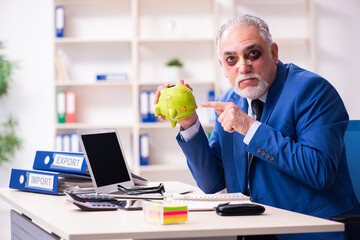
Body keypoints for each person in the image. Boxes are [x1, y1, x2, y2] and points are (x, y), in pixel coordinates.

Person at [155, 15, 359, 240]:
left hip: (313, 229)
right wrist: (188, 122)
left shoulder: (313, 91)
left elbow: (320, 171)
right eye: (231, 59)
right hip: (255, 230)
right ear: (223, 67)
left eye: (253, 54)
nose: (243, 67)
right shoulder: (230, 100)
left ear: (273, 53)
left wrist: (249, 128)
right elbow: (212, 183)